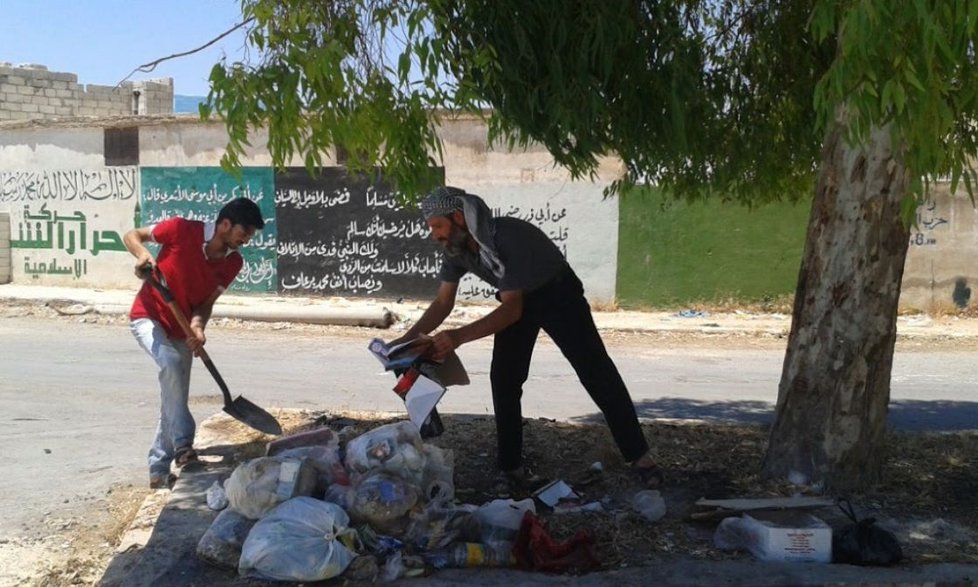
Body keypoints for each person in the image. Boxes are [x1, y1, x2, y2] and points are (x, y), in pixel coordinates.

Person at [398, 186, 662, 495]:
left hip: (557, 296)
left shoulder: (508, 237)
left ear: (458, 217)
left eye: (437, 226)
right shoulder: (457, 249)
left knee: (596, 372)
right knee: (504, 379)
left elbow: (511, 310)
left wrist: (457, 337)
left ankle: (641, 458)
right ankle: (511, 468)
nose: (434, 235)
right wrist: (404, 342)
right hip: (517, 301)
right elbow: (443, 302)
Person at [123, 198, 265, 489]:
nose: (246, 239)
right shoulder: (180, 229)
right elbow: (132, 235)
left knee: (173, 390)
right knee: (171, 364)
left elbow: (206, 303)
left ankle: (159, 468)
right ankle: (185, 446)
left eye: (251, 235)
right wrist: (142, 255)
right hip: (148, 316)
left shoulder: (233, 262)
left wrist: (198, 327)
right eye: (244, 232)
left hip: (183, 328)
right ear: (225, 224)